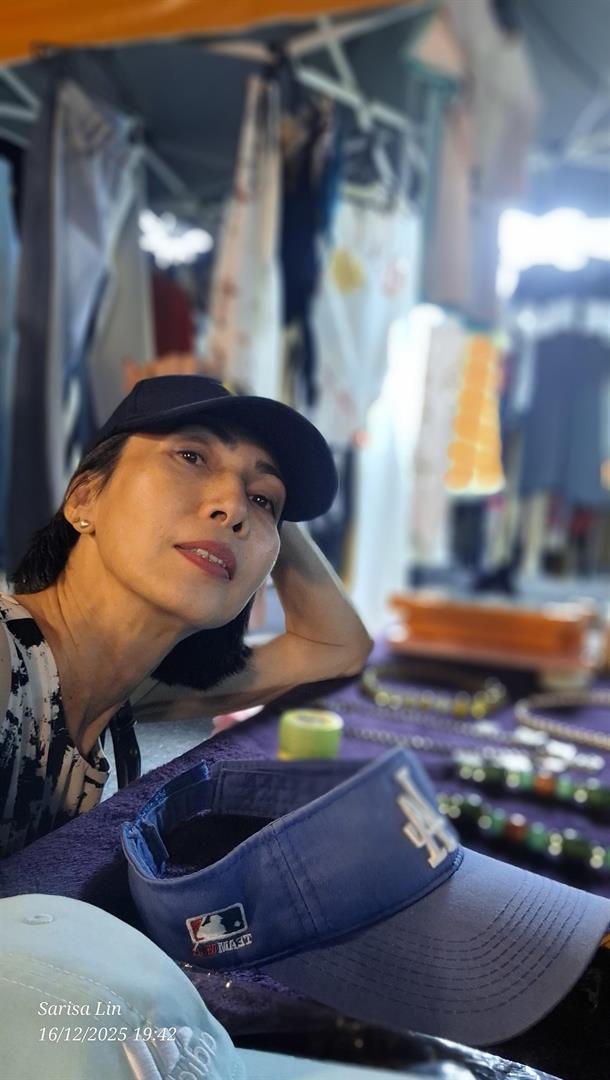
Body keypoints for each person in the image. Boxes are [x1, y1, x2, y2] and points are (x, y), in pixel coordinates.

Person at [0, 375, 372, 857]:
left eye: (261, 500)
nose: (233, 508)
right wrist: (257, 492)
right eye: (191, 457)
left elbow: (339, 650)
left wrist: (270, 509)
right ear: (84, 498)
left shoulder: (118, 692)